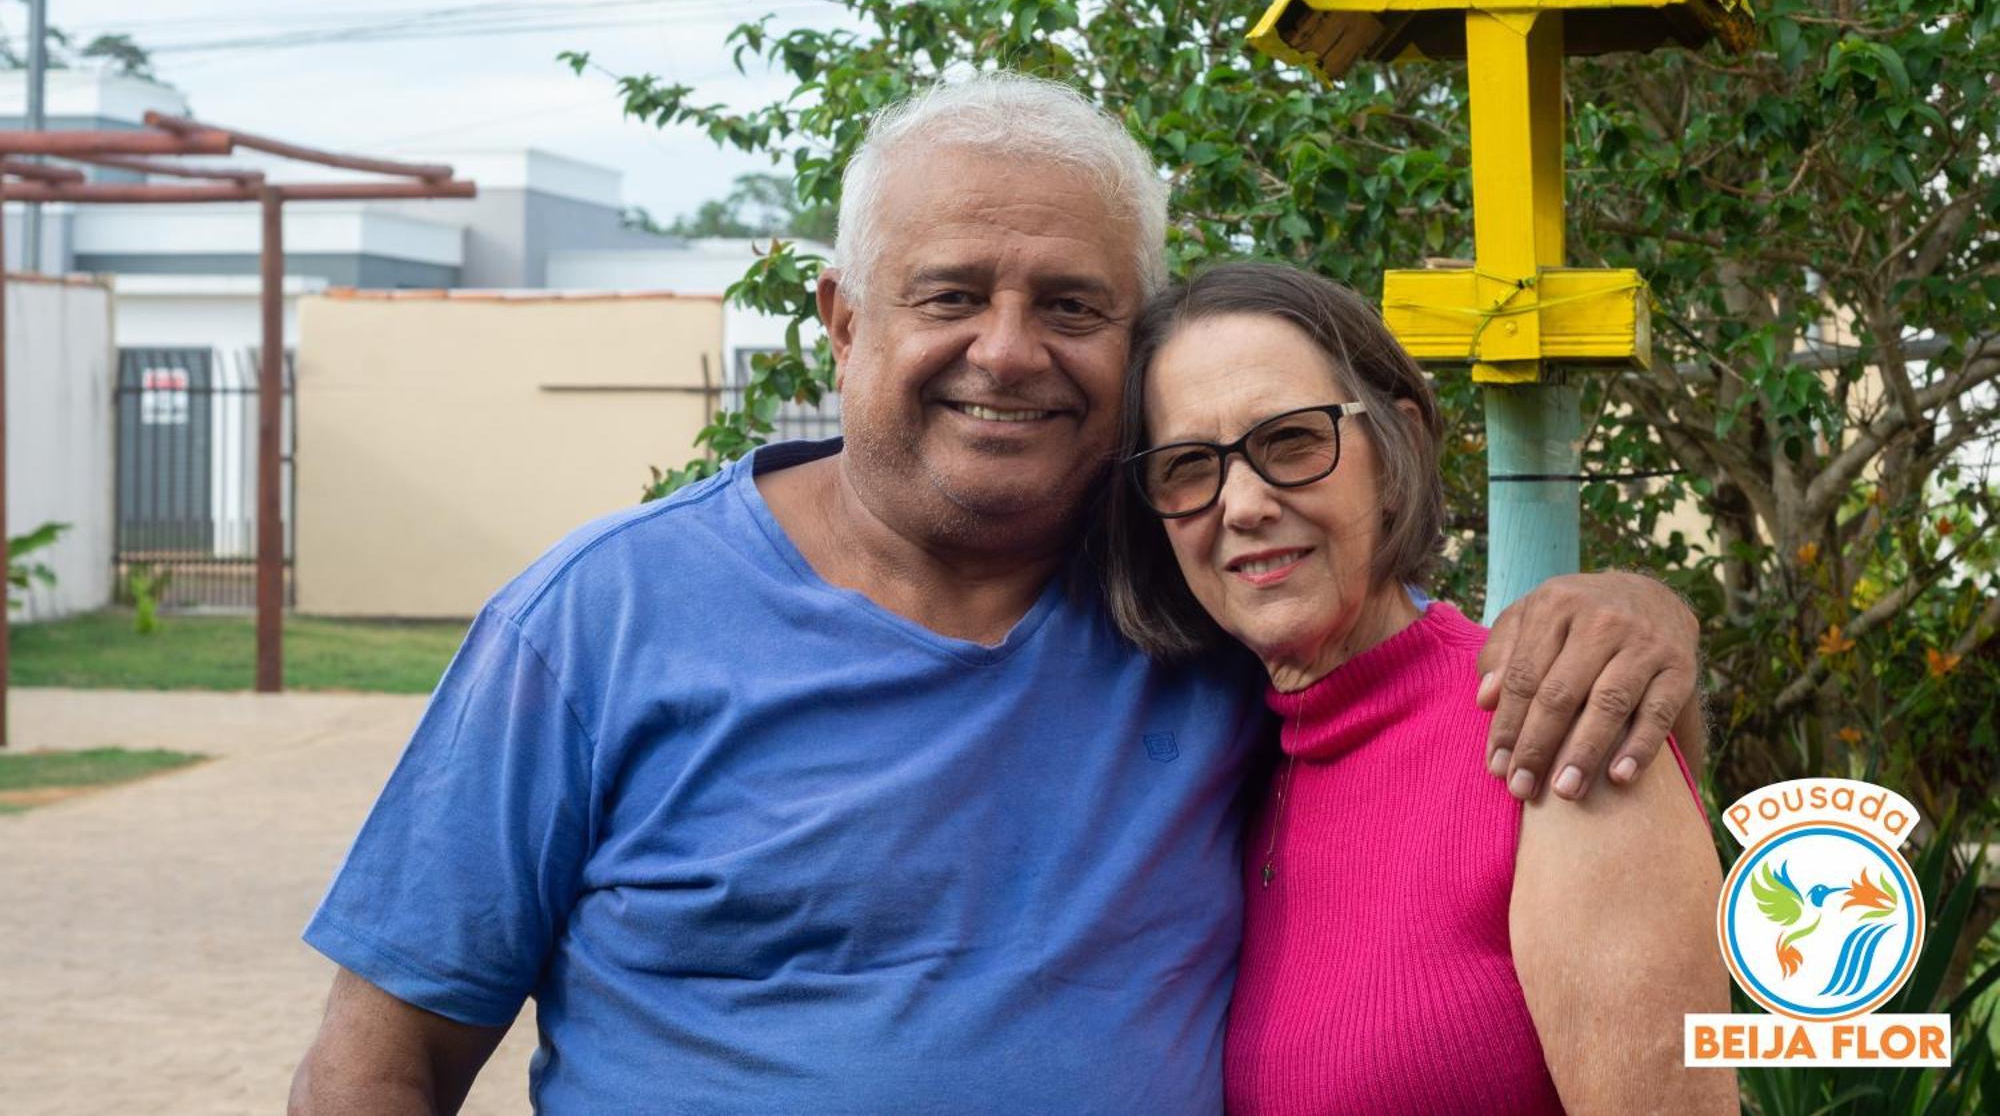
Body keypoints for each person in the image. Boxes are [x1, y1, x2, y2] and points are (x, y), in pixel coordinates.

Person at [289, 74, 1708, 1114]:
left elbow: (1382, 647)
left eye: (1073, 306)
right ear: (845, 322)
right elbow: (377, 1064)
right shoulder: (592, 627)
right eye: (951, 293)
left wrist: (1643, 609)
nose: (1009, 351)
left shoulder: (1175, 597)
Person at [1101, 261, 1733, 1115]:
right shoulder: (1212, 756)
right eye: (1187, 464)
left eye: (1291, 439)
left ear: (1394, 452)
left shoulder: (1557, 722)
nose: (1241, 503)